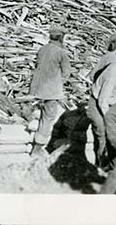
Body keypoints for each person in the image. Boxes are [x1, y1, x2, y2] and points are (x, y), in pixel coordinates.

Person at [29, 25, 71, 157]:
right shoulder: (61, 52)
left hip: (37, 88)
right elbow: (66, 73)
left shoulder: (42, 49)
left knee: (41, 115)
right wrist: (58, 82)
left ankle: (35, 141)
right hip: (51, 91)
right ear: (61, 38)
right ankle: (38, 148)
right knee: (48, 117)